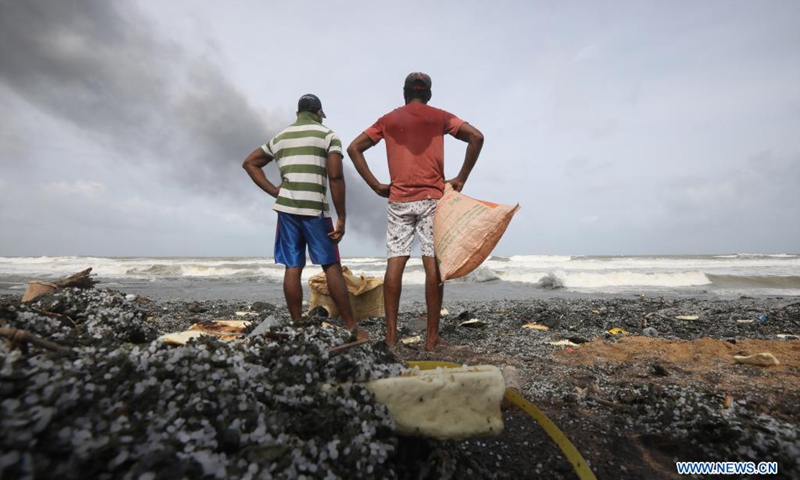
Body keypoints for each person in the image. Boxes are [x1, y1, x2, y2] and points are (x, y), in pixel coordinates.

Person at [347, 72, 484, 351]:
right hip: (433, 200)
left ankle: (391, 338)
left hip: (398, 200)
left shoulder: (388, 120)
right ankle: (431, 340)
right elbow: (476, 137)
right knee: (432, 264)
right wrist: (461, 178)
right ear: (429, 94)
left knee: (395, 262)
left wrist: (375, 185)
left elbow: (354, 148)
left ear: (404, 93)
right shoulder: (441, 116)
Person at [243, 94, 362, 337]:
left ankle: (297, 324)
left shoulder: (280, 138)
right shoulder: (328, 135)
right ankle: (351, 326)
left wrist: (274, 191)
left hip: (287, 210)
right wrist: (342, 217)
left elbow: (250, 163)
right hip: (315, 209)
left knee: (292, 266)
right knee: (331, 266)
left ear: (297, 113)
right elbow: (336, 176)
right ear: (319, 113)